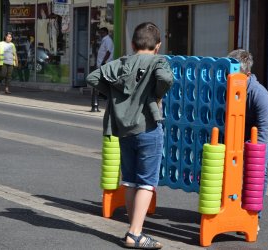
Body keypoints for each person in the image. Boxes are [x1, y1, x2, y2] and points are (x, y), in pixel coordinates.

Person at [86, 22, 173, 249]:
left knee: (130, 180)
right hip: (149, 129)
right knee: (146, 183)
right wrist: (155, 94)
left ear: (133, 44)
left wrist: (115, 94)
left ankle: (134, 229)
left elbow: (93, 77)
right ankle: (135, 234)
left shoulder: (123, 62)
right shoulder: (158, 61)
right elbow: (166, 79)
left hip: (124, 130)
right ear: (158, 46)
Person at [228, 49, 268, 230]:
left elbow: (265, 129)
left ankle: (253, 217)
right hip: (237, 136)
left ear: (247, 75)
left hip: (260, 140)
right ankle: (231, 209)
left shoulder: (259, 94)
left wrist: (255, 158)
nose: (229, 77)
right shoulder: (227, 88)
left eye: (234, 74)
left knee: (256, 175)